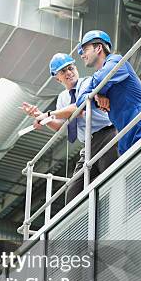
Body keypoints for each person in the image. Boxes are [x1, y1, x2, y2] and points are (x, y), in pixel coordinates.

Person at [21, 53, 118, 202]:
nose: (69, 73)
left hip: (106, 134)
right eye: (63, 71)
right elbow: (60, 126)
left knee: (111, 175)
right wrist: (39, 116)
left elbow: (78, 108)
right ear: (57, 78)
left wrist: (47, 115)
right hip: (89, 145)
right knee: (73, 193)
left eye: (70, 68)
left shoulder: (86, 83)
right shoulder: (62, 98)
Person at [75, 30, 141, 155]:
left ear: (98, 48)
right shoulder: (99, 77)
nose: (82, 55)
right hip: (125, 137)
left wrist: (97, 93)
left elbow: (101, 79)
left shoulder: (117, 61)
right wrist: (97, 95)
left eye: (85, 50)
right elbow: (80, 102)